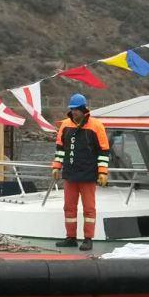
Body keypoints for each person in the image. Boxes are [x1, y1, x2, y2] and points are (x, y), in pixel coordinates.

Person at [52, 93, 110, 251]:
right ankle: (70, 237)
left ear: (84, 110)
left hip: (88, 174)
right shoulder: (65, 125)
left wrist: (102, 172)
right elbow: (60, 149)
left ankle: (88, 238)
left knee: (89, 208)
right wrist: (56, 166)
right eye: (72, 109)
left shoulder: (96, 126)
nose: (74, 112)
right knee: (69, 207)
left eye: (77, 109)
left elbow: (104, 151)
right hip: (70, 174)